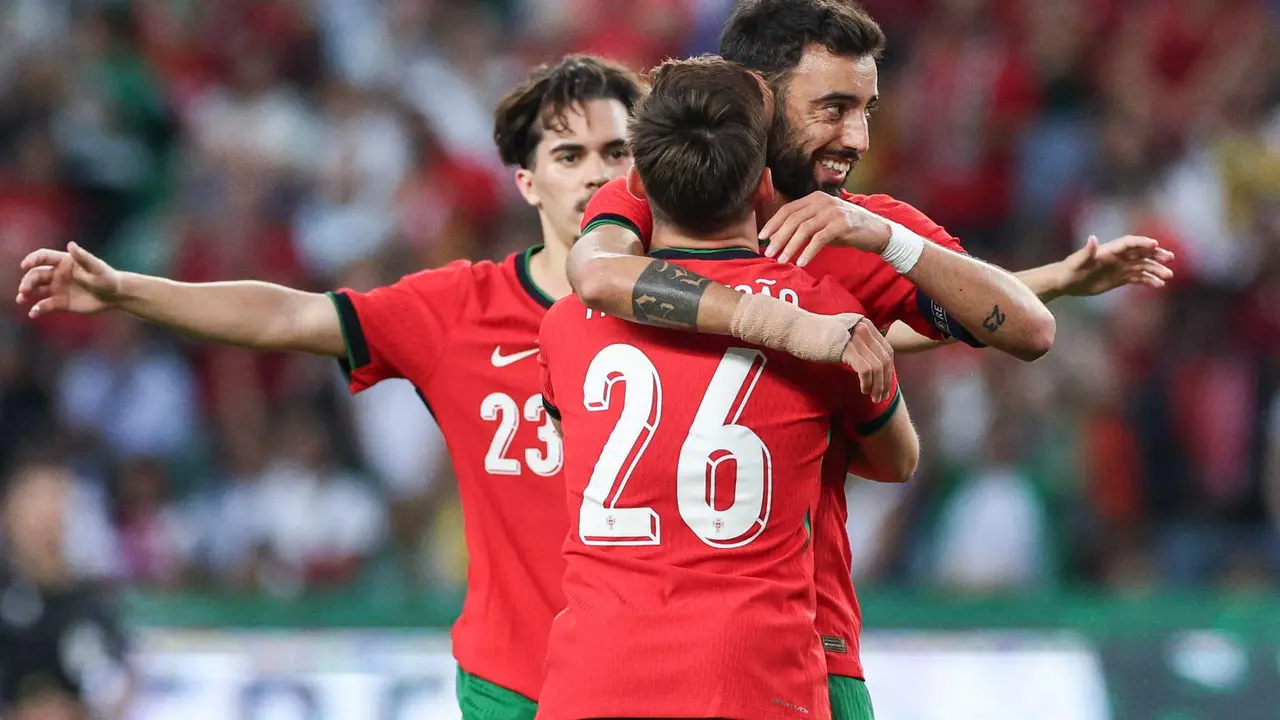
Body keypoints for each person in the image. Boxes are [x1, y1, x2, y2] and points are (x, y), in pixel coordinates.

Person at [14, 53, 891, 718]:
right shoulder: (457, 308)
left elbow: (862, 355)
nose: (592, 172)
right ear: (526, 178)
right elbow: (287, 316)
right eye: (567, 152)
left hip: (678, 669)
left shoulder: (721, 298)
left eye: (616, 151)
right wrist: (128, 288)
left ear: (649, 164)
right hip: (516, 680)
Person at [567, 1, 1175, 717]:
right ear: (758, 95)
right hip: (704, 644)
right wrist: (793, 327)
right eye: (833, 107)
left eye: (867, 109)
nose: (855, 135)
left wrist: (887, 240)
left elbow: (1027, 330)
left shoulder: (859, 229)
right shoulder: (669, 192)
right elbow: (599, 276)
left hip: (792, 639)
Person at [537, 57, 919, 720]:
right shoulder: (822, 314)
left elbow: (579, 440)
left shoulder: (566, 325)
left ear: (639, 178)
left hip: (592, 685)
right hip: (751, 681)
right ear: (764, 178)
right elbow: (898, 460)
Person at [0, 458, 134, 720]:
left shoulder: (90, 604)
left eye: (55, 500)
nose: (45, 517)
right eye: (33, 502)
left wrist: (77, 712)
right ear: (8, 513)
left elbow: (118, 689)